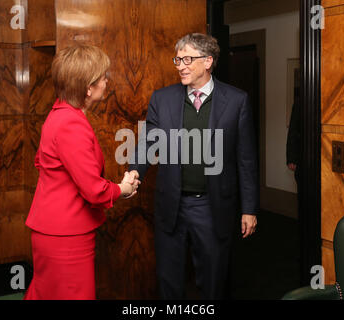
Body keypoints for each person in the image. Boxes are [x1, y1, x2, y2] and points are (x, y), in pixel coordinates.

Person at [128, 33, 259, 299]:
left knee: (212, 280)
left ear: (208, 61)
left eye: (188, 59)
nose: (180, 65)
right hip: (171, 206)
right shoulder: (162, 99)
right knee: (169, 281)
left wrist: (249, 208)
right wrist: (134, 171)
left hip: (211, 207)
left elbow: (246, 160)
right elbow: (148, 144)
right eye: (178, 59)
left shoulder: (236, 101)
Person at [23, 45, 139, 300]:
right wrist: (124, 188)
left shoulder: (60, 114)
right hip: (65, 235)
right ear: (88, 88)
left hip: (56, 230)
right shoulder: (71, 123)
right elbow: (93, 190)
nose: (106, 81)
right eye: (102, 77)